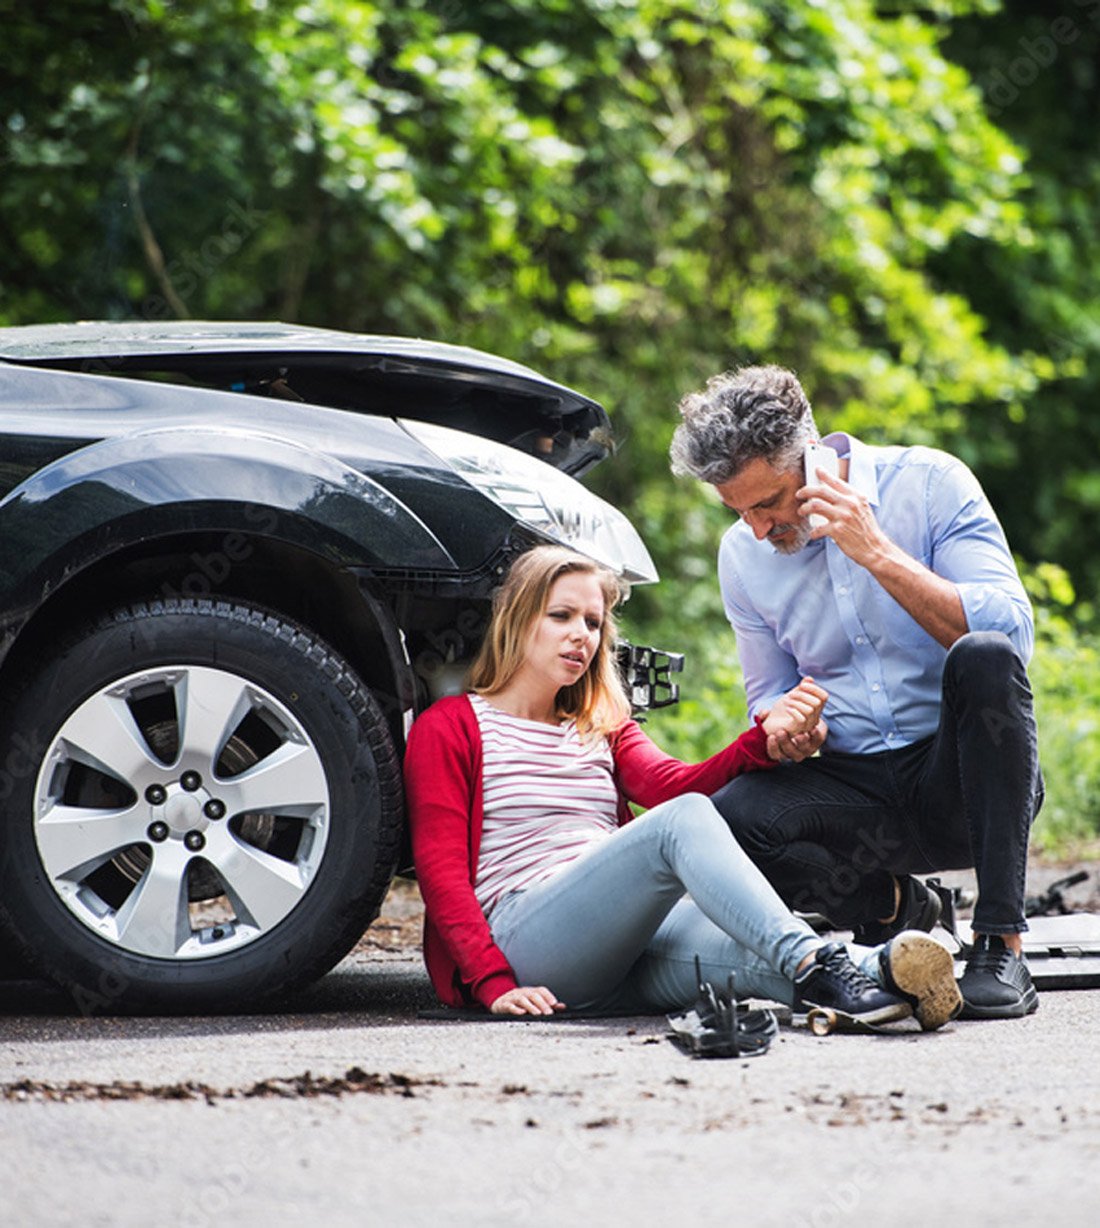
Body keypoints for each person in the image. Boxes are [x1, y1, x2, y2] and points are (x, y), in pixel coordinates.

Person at [404, 544, 962, 1030]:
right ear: (518, 619)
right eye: (562, 616)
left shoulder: (602, 725)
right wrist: (492, 981)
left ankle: (887, 973)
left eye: (594, 623)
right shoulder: (452, 726)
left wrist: (760, 744)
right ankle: (821, 968)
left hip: (614, 946)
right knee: (684, 825)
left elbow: (672, 785)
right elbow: (442, 872)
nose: (582, 636)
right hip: (527, 941)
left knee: (746, 945)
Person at [669, 364, 1042, 1020]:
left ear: (815, 463)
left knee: (983, 655)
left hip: (960, 780)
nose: (758, 529)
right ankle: (892, 906)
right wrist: (783, 725)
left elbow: (1009, 636)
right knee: (723, 820)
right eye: (739, 510)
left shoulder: (930, 483)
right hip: (853, 794)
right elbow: (767, 692)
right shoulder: (743, 556)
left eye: (769, 503)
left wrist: (877, 552)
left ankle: (1001, 942)